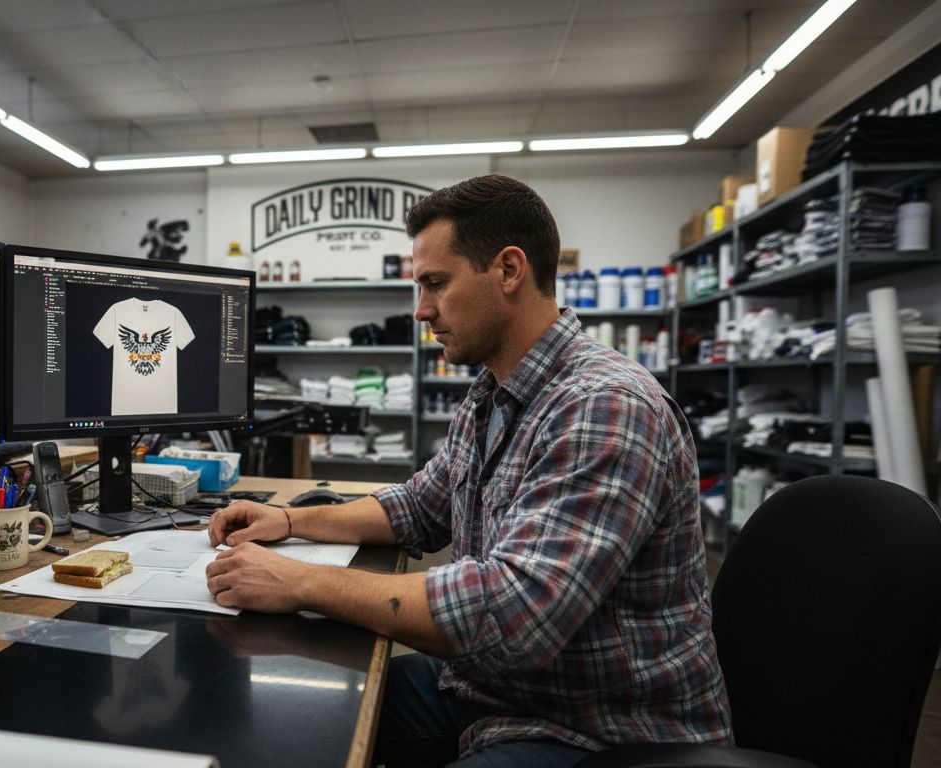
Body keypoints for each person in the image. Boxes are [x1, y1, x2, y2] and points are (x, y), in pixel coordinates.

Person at [205, 174, 732, 767]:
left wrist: (299, 583)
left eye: (436, 284)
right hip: (495, 693)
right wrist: (287, 522)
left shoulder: (603, 404)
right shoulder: (494, 394)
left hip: (596, 729)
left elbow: (516, 614)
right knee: (294, 706)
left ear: (509, 271)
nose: (422, 309)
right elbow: (417, 506)